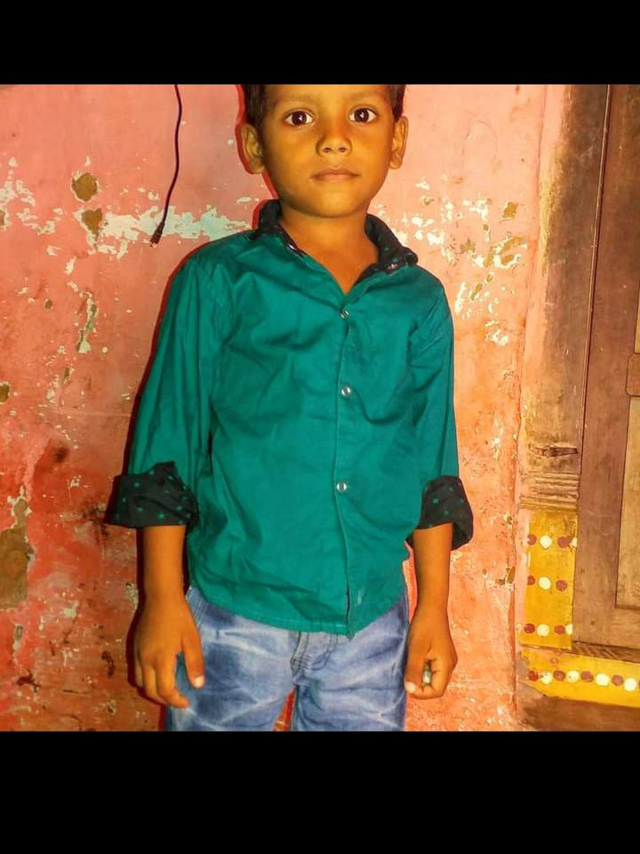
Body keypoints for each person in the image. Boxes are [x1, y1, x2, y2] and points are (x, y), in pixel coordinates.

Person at [106, 84, 474, 731]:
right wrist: (162, 601)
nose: (334, 138)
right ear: (254, 145)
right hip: (235, 614)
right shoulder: (219, 280)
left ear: (397, 138)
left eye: (362, 114)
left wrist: (433, 609)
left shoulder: (419, 301)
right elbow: (169, 444)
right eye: (300, 116)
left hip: (373, 625)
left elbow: (432, 462)